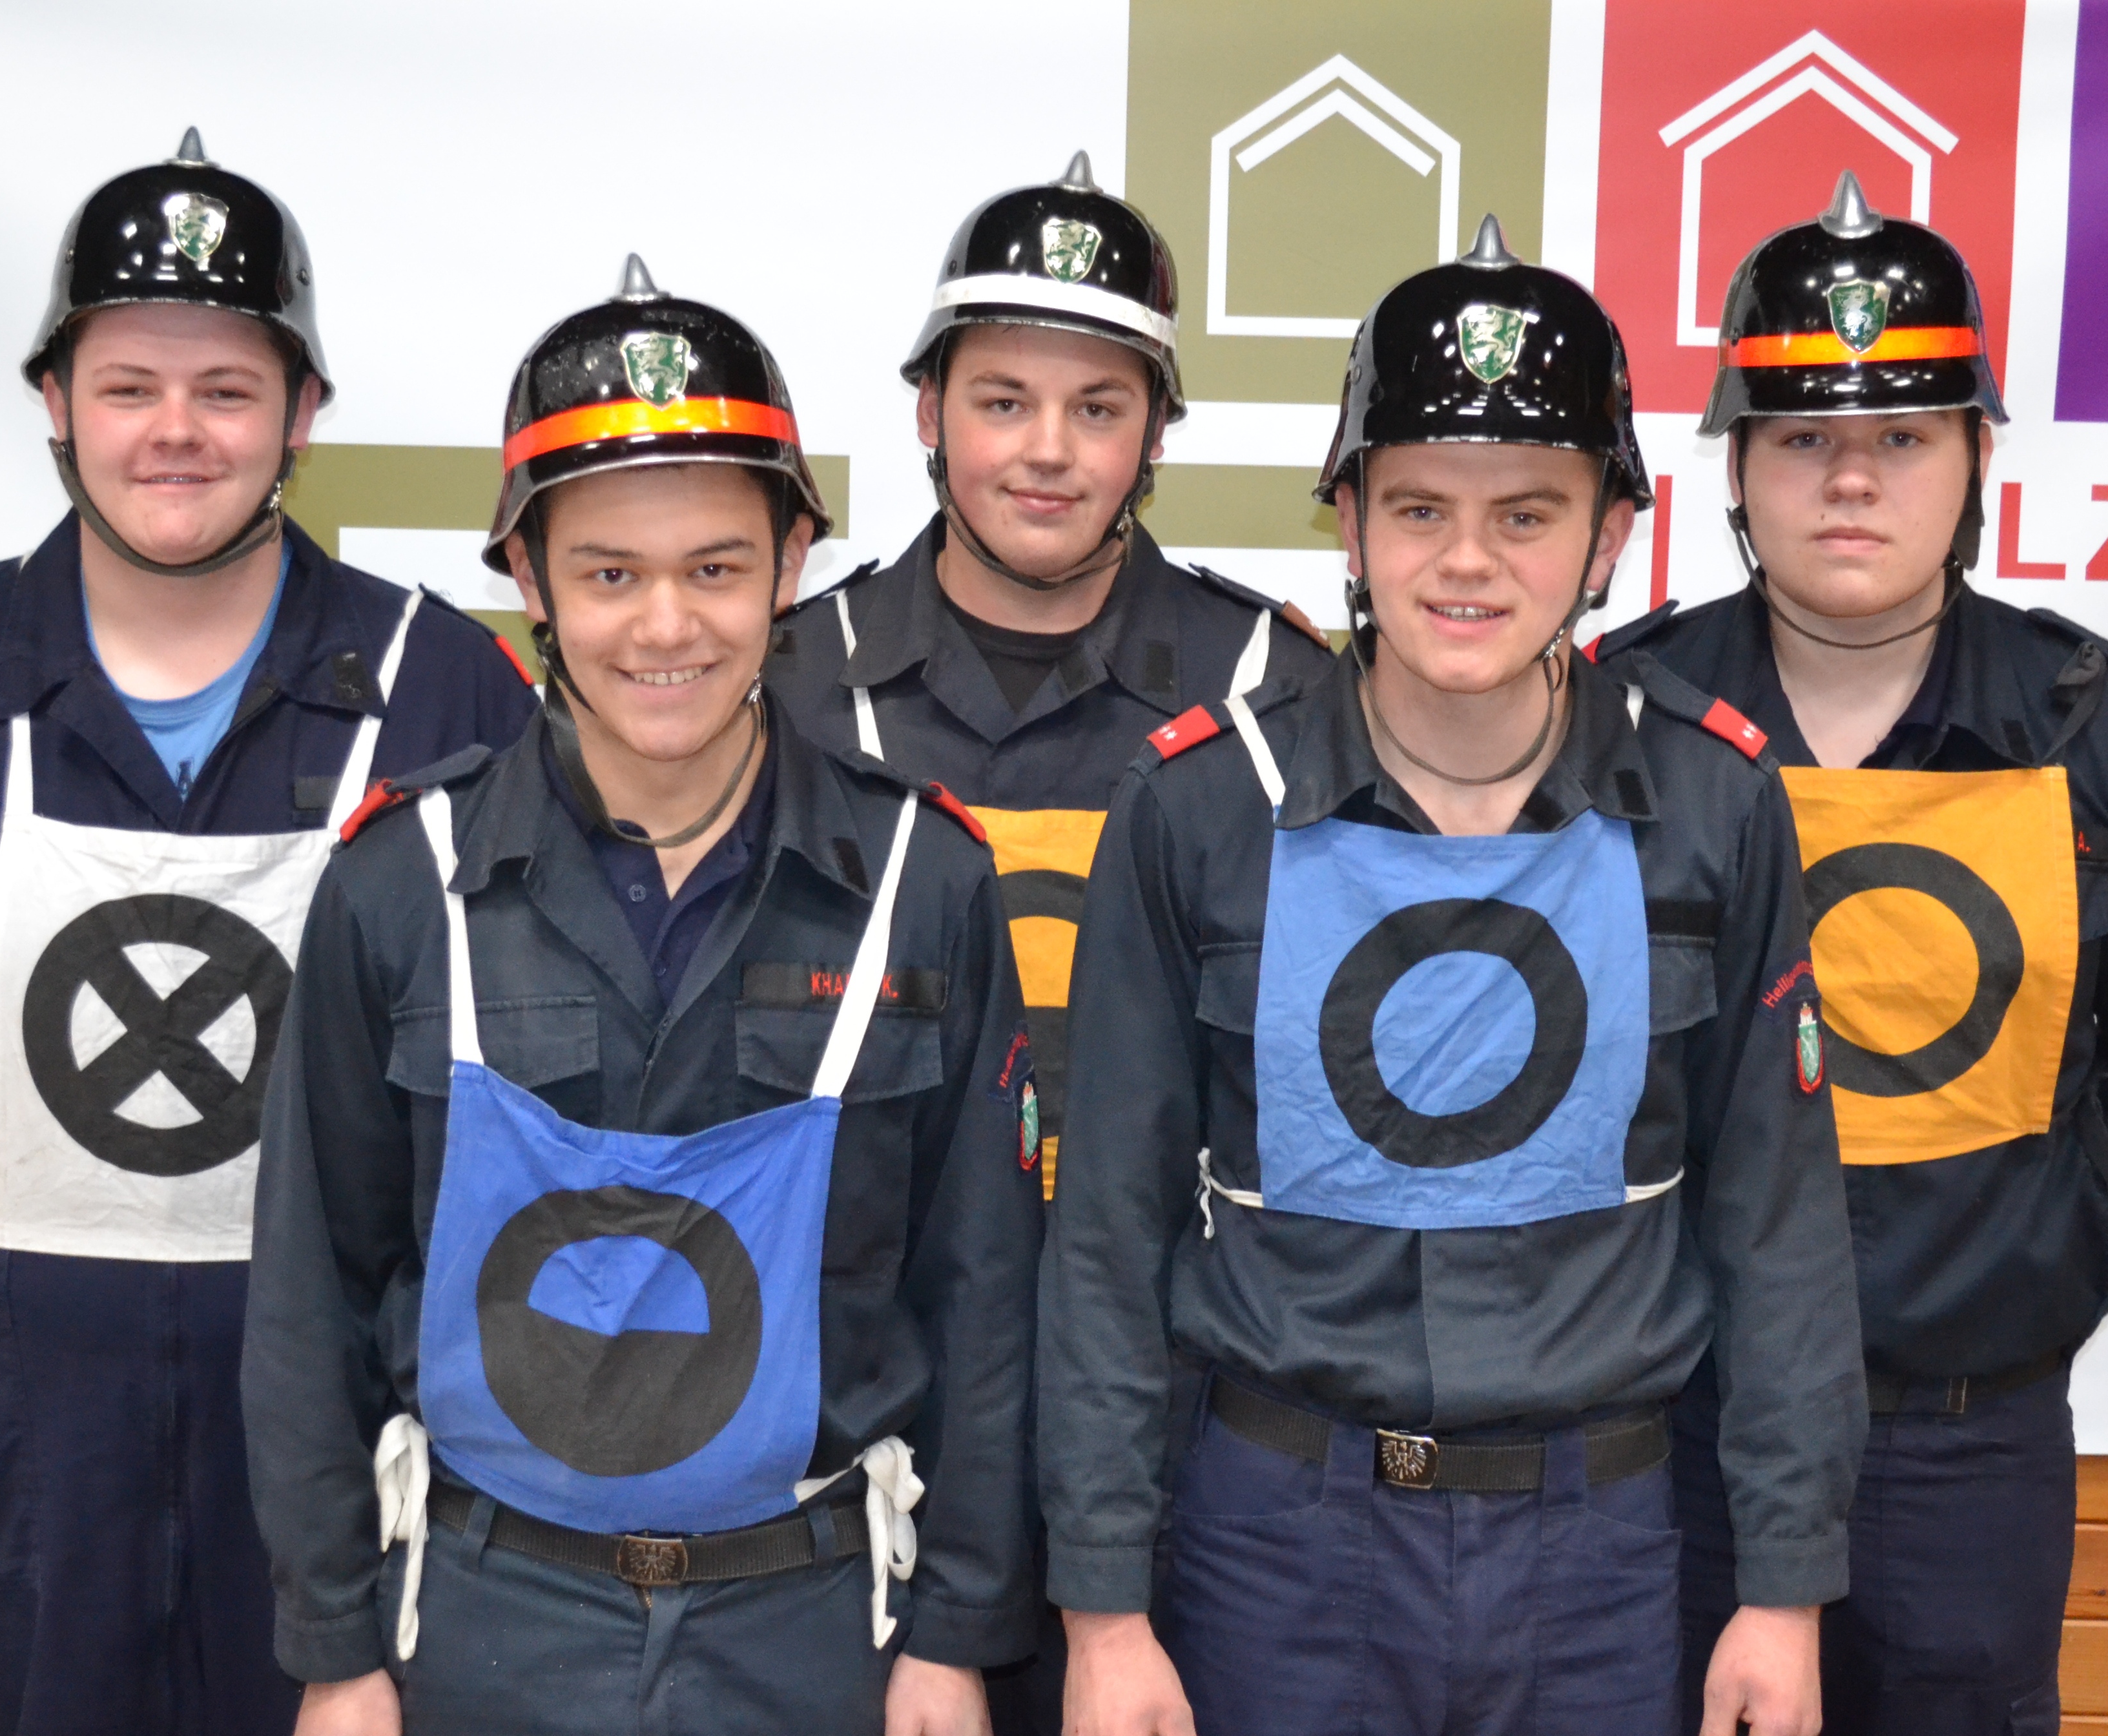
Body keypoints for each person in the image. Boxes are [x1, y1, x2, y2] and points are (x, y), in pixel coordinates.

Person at [0, 129, 535, 1735]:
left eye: (228, 389)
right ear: (56, 401)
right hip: (14, 1448)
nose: (177, 430)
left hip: (359, 1451)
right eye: (128, 386)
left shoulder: (445, 690)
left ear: (303, 414)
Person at [1037, 219, 1867, 1736]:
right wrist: (1100, 1611)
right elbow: (1106, 1235)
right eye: (1419, 507)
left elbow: (1779, 1227)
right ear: (1348, 524)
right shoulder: (1200, 810)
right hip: (1274, 1551)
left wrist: (1786, 1590)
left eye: (1527, 514)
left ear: (1609, 538)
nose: (1469, 562)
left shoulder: (1714, 807)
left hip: (1604, 1559)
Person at [242, 261, 1044, 1736]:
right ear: (529, 577)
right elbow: (311, 1296)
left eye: (716, 569)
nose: (666, 626)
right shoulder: (400, 886)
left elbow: (985, 1295)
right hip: (480, 1624)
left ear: (791, 562)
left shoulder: (921, 882)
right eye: (610, 574)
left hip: (820, 1630)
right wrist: (336, 1650)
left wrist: (958, 1633)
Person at [1600, 172, 2108, 1736]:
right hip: (1671, 1435)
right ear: (1734, 468)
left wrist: (2009, 1224)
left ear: (1977, 461)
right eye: (1802, 439)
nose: (1852, 479)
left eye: (1904, 438)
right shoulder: (1615, 723)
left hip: (1971, 1453)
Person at [765, 150, 1335, 1208]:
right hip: (869, 1290)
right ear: (929, 411)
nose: (1049, 451)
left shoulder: (1272, 691)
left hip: (1160, 1289)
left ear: (1155, 434)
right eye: (1003, 401)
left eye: (1099, 410)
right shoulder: (787, 684)